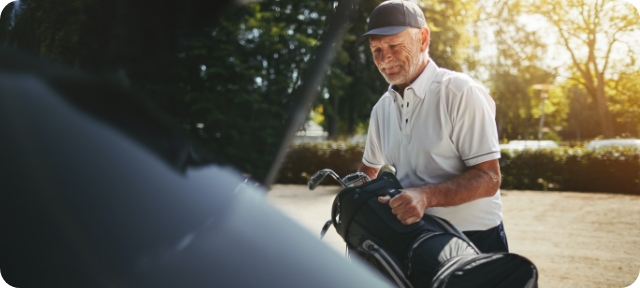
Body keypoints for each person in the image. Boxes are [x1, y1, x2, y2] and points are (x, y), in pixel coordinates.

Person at [356, 0, 508, 253]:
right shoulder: (382, 108)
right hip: (415, 240)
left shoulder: (460, 92)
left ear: (423, 39)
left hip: (475, 240)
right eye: (377, 50)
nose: (385, 58)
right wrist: (353, 199)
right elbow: (368, 170)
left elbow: (489, 178)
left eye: (394, 45)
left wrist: (425, 196)